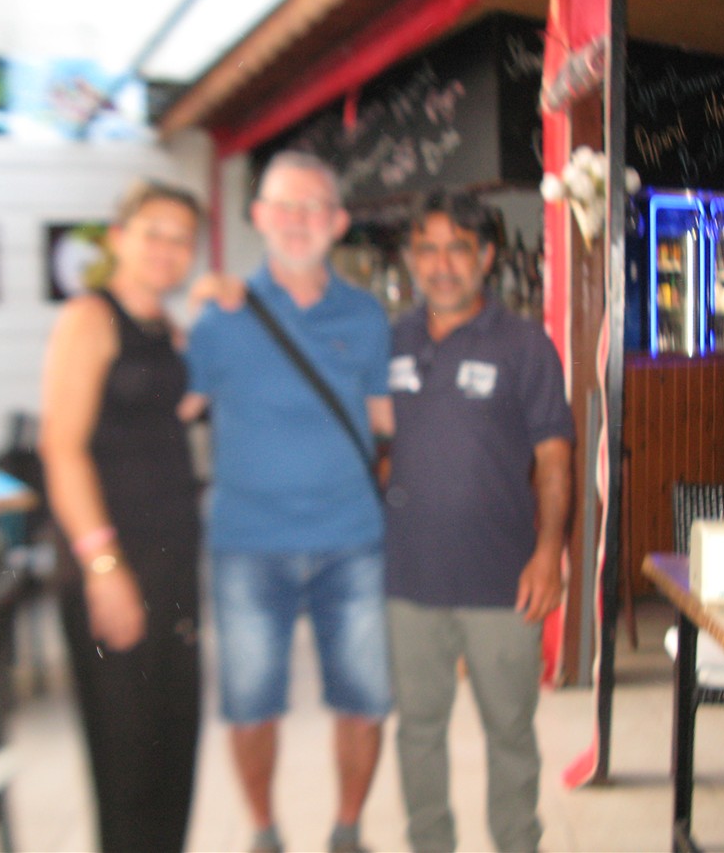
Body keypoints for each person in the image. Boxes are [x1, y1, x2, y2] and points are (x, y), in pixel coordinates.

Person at [183, 150, 393, 853]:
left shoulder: (366, 316)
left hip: (352, 539)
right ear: (258, 217)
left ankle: (347, 831)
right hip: (247, 543)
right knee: (250, 707)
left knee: (364, 701)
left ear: (338, 222)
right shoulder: (219, 316)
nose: (297, 220)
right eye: (283, 206)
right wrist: (182, 315)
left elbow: (387, 420)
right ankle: (264, 832)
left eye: (313, 207)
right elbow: (177, 402)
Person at [385, 190, 574, 853]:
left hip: (503, 577)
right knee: (417, 730)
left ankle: (517, 843)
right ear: (412, 258)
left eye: (457, 249)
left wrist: (548, 553)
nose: (441, 265)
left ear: (486, 256)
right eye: (427, 249)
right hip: (408, 579)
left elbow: (555, 458)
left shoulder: (524, 345)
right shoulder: (393, 340)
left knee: (510, 734)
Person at [38, 179, 204, 853]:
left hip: (174, 565)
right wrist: (103, 566)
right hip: (114, 562)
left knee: (173, 746)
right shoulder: (89, 318)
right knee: (127, 760)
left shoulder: (168, 330)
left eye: (182, 238)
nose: (167, 249)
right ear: (118, 239)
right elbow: (61, 449)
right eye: (153, 233)